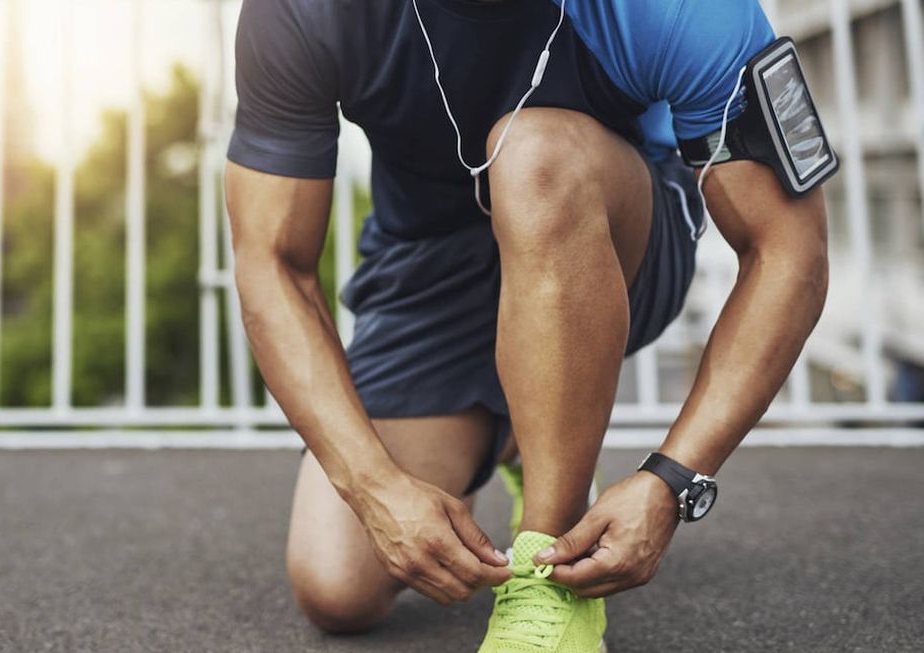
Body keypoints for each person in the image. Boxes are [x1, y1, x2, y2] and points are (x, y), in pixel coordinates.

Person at [224, 0, 829, 650]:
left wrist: (674, 478)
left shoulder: (679, 9)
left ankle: (551, 567)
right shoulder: (307, 10)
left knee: (532, 155)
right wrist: (375, 488)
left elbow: (789, 251)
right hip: (432, 268)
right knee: (335, 582)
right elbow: (273, 263)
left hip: (609, 224)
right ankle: (526, 432)